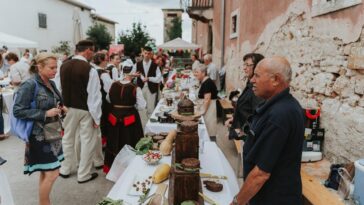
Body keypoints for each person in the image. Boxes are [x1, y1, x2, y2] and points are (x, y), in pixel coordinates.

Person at [230, 57, 304, 205]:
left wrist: (237, 202)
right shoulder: (276, 106)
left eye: (257, 75)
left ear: (275, 79)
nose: (252, 80)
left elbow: (261, 174)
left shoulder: (280, 115)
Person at [13, 53, 65, 205]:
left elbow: (55, 102)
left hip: (53, 131)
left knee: (46, 171)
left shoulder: (51, 82)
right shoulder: (29, 84)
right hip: (39, 135)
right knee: (53, 173)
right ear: (39, 67)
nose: (55, 70)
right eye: (52, 67)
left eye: (56, 67)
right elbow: (18, 110)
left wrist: (62, 108)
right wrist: (45, 113)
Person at [59, 40, 102, 183]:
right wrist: (97, 118)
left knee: (67, 139)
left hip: (67, 108)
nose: (94, 54)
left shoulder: (63, 66)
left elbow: (59, 88)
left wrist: (62, 105)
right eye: (93, 51)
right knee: (87, 141)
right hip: (85, 109)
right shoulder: (90, 69)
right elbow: (94, 96)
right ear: (88, 50)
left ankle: (65, 169)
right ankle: (83, 174)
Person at [104, 60, 146, 173]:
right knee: (130, 140)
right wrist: (132, 105)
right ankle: (130, 167)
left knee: (114, 141)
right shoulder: (135, 88)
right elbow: (142, 106)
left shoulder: (113, 85)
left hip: (114, 117)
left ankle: (113, 167)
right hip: (130, 119)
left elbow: (108, 99)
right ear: (132, 74)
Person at [225, 53, 264, 140]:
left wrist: (238, 132)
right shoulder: (249, 84)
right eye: (244, 64)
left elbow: (257, 118)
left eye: (248, 65)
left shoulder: (256, 89)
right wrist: (234, 118)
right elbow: (246, 108)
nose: (244, 68)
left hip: (250, 139)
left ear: (258, 67)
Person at [135, 46, 162, 118]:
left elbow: (159, 78)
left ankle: (150, 127)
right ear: (142, 53)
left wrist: (149, 78)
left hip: (152, 89)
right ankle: (143, 125)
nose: (147, 55)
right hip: (141, 88)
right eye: (145, 53)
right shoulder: (137, 64)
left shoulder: (155, 65)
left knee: (151, 109)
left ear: (151, 54)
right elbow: (133, 74)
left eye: (149, 53)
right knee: (141, 108)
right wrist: (136, 75)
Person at [194, 64, 218, 139]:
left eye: (197, 72)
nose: (195, 74)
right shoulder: (204, 81)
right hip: (207, 107)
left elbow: (207, 99)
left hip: (209, 108)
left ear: (203, 73)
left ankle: (210, 144)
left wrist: (202, 112)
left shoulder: (207, 82)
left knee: (208, 128)